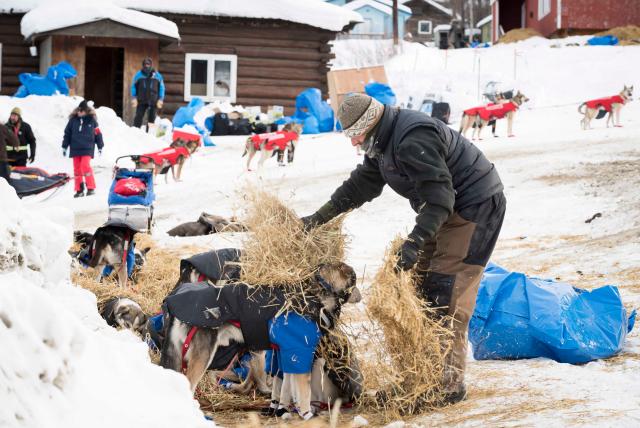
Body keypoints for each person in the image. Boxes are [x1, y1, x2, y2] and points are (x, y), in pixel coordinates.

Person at [301, 94, 506, 404]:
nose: (353, 142)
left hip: (473, 208)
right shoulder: (382, 142)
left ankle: (446, 386)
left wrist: (413, 243)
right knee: (420, 292)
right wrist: (318, 218)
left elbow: (440, 198)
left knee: (445, 293)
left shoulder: (412, 138)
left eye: (354, 134)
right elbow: (362, 184)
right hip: (441, 209)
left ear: (368, 124)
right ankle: (416, 378)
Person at [62, 100, 104, 198]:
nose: (79, 112)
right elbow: (67, 134)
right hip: (75, 148)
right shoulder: (72, 120)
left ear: (86, 111)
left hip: (87, 148)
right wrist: (64, 146)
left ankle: (91, 187)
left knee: (85, 166)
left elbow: (98, 134)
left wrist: (100, 146)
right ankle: (79, 189)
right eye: (78, 110)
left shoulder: (92, 121)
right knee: (77, 169)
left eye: (82, 111)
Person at [131, 57, 165, 129]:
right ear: (143, 65)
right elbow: (133, 86)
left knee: (151, 119)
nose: (147, 66)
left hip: (153, 100)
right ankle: (135, 133)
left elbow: (162, 88)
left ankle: (150, 134)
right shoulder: (138, 75)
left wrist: (161, 99)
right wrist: (134, 97)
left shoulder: (157, 75)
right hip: (141, 100)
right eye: (145, 64)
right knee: (138, 117)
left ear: (151, 65)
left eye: (148, 64)